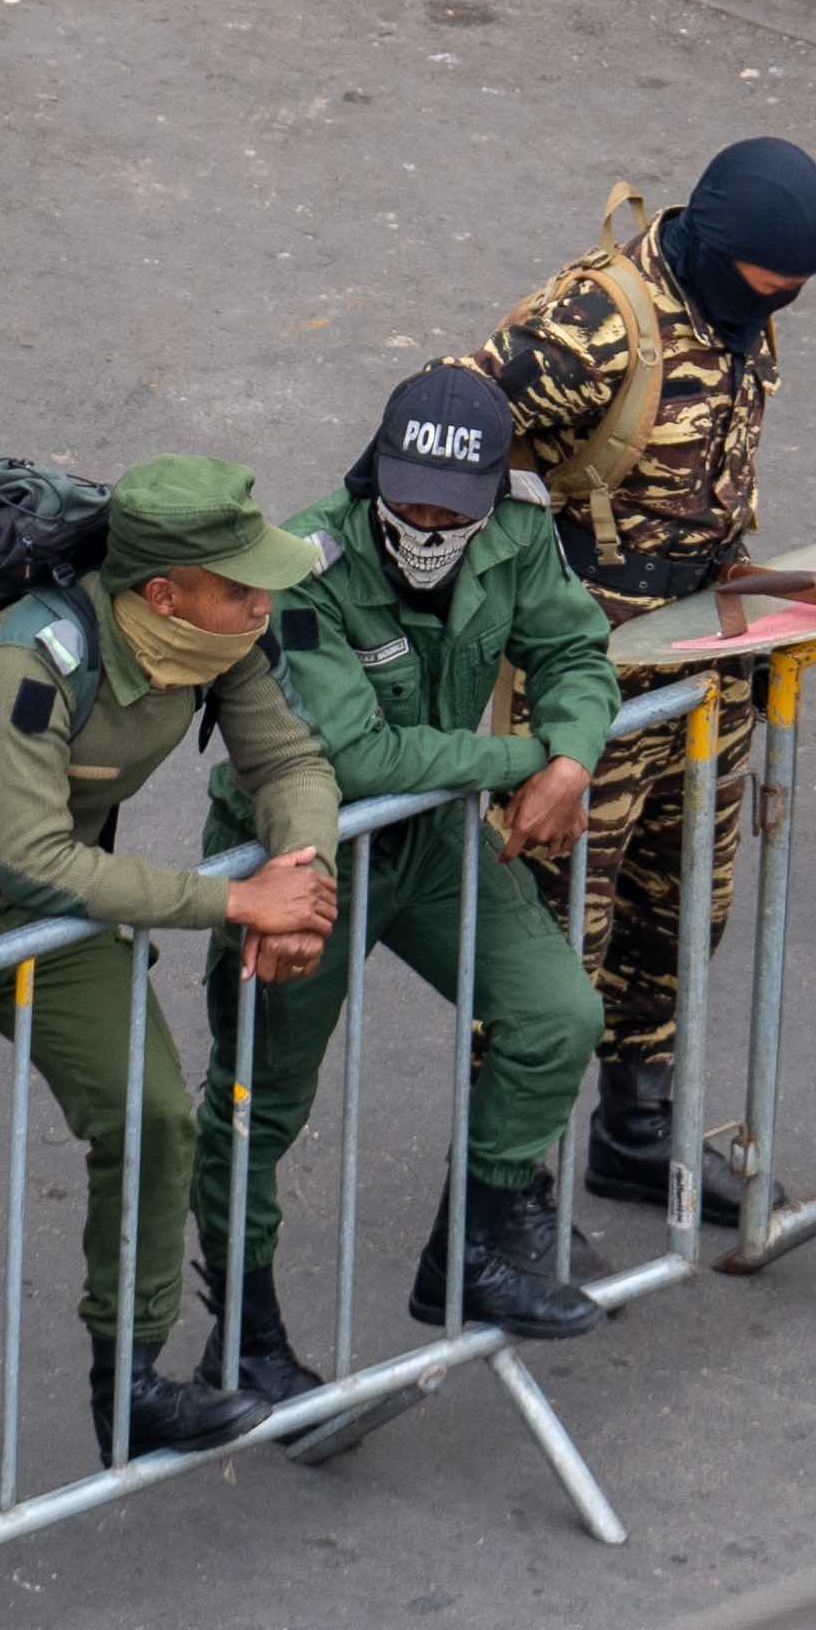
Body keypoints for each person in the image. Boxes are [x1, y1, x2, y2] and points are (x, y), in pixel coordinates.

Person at [0, 459, 347, 1485]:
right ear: (163, 593)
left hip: (50, 920)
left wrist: (299, 870)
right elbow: (35, 859)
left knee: (150, 1116)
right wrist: (235, 901)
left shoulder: (215, 638)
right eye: (238, 585)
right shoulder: (32, 657)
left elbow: (292, 763)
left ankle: (130, 1387)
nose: (260, 603)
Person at [186, 367, 617, 1426]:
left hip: (428, 848)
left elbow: (573, 648)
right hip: (302, 864)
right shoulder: (303, 567)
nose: (426, 524)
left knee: (557, 1017)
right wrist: (521, 755)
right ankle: (242, 1339)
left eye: (449, 510)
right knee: (259, 1106)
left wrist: (571, 754)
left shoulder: (514, 535)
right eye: (410, 498)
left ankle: (470, 1250)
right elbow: (359, 754)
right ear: (376, 470)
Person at [458, 137, 816, 1219]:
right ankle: (504, 1188)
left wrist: (752, 573)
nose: (771, 310)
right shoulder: (592, 325)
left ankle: (634, 1132)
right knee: (553, 952)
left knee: (679, 910)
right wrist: (528, 601)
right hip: (581, 684)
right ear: (718, 249)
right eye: (765, 288)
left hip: (702, 659)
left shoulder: (739, 310)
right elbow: (449, 448)